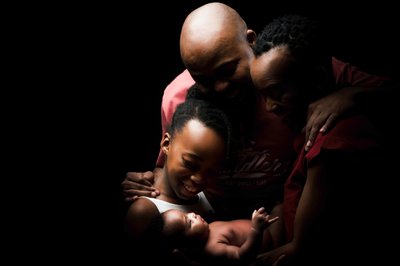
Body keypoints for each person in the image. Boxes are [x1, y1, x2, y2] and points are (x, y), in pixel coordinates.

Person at [122, 2, 393, 219]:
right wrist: (146, 185)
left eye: (227, 70)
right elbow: (170, 167)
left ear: (251, 40)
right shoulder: (176, 98)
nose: (219, 87)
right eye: (203, 80)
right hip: (210, 218)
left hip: (281, 216)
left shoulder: (289, 69)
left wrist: (352, 95)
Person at [249, 14, 395, 266]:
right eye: (263, 95)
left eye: (277, 93)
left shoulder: (330, 140)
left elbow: (299, 248)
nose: (269, 106)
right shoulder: (301, 104)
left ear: (316, 80)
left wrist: (354, 95)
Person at [124, 96, 233, 261]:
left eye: (212, 171)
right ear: (166, 144)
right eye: (190, 164)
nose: (199, 179)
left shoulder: (208, 196)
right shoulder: (144, 211)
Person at [153, 206, 283, 265]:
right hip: (271, 243)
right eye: (189, 222)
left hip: (266, 229)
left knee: (279, 208)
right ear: (188, 246)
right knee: (281, 210)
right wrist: (256, 230)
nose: (192, 214)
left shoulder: (207, 229)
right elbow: (241, 256)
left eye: (186, 214)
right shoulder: (212, 248)